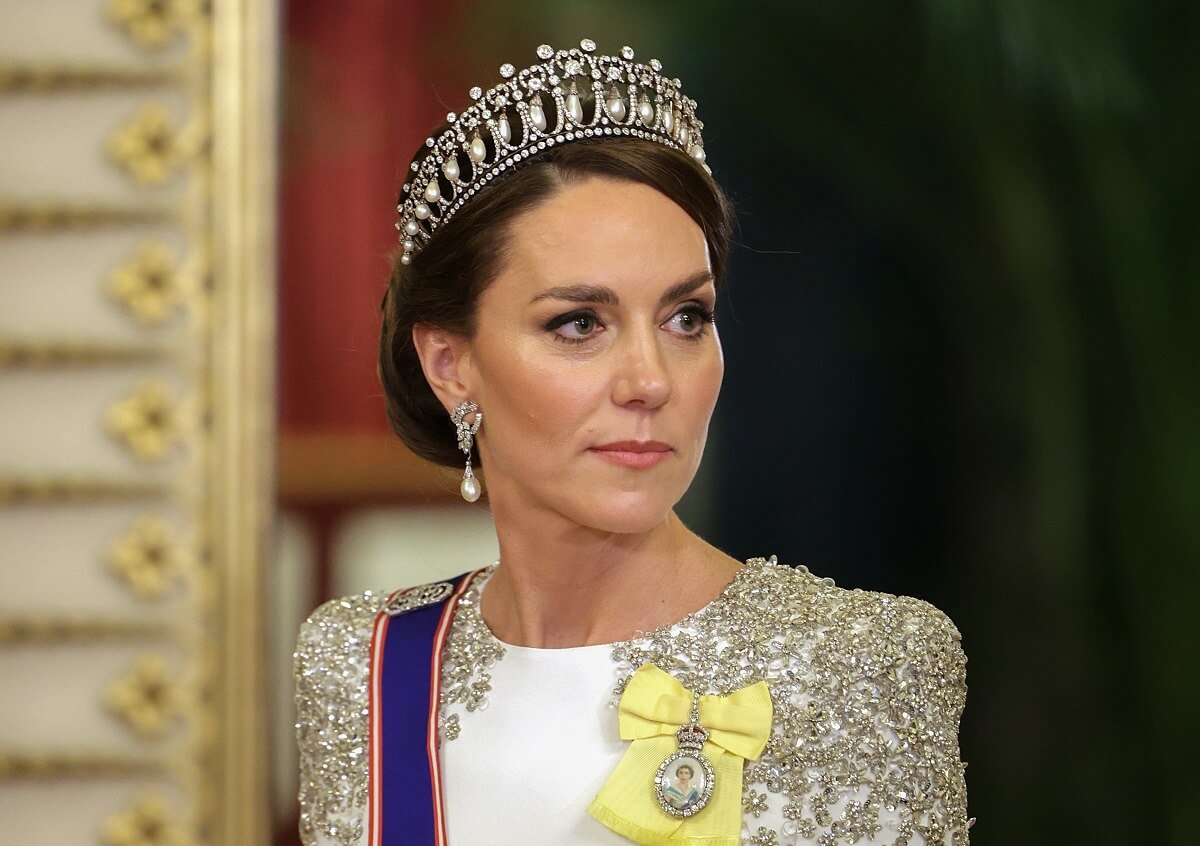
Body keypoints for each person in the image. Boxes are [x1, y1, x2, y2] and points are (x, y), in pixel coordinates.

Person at [295, 38, 970, 846]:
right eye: (579, 324)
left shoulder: (866, 668)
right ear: (451, 364)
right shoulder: (362, 666)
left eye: (687, 318)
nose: (650, 380)